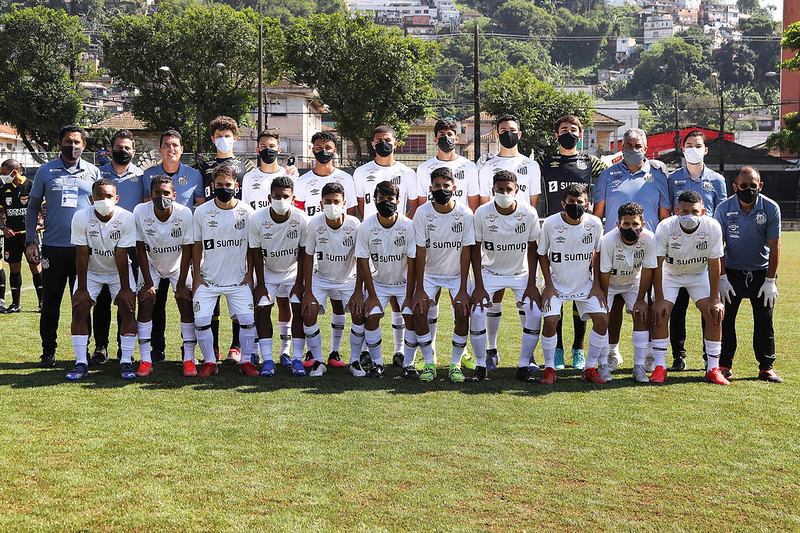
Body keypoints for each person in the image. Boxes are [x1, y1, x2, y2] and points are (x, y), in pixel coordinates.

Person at [593, 128, 670, 373]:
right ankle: (613, 352)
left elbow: (664, 216)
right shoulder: (607, 175)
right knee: (613, 307)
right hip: (613, 249)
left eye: (637, 145)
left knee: (646, 304)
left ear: (646, 148)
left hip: (647, 251)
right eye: (628, 145)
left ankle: (648, 354)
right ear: (621, 147)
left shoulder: (659, 175)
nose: (632, 149)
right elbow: (597, 216)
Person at [26, 124, 101, 368]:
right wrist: (30, 241)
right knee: (50, 304)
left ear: (84, 145)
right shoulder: (45, 171)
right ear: (60, 143)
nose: (73, 146)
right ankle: (48, 351)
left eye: (77, 142)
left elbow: (102, 208)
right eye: (68, 141)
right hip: (53, 247)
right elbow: (33, 208)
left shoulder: (93, 172)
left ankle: (84, 351)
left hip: (84, 249)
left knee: (82, 302)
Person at [537, 114, 606, 370]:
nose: (569, 132)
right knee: (556, 291)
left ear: (581, 134)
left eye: (573, 129)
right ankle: (557, 349)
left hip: (582, 232)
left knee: (581, 293)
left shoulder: (591, 162)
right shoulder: (545, 161)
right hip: (554, 230)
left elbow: (611, 179)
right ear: (557, 135)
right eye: (564, 128)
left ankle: (578, 348)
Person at [476, 114, 542, 372]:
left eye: (512, 130)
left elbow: (532, 204)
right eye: (503, 130)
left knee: (529, 306)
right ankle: (491, 350)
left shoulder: (530, 165)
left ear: (520, 133)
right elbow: (483, 202)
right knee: (493, 300)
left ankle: (529, 358)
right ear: (497, 134)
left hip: (519, 250)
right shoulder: (486, 165)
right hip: (493, 244)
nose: (508, 134)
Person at [415, 118, 480, 368]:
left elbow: (473, 204)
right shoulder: (424, 169)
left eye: (450, 133)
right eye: (441, 133)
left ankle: (459, 356)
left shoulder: (468, 168)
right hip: (432, 261)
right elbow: (421, 209)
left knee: (462, 309)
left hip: (456, 261)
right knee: (424, 308)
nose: (446, 137)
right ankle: (428, 357)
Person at [353, 125, 419, 366]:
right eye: (379, 140)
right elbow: (360, 207)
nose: (384, 143)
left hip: (398, 237)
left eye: (387, 139)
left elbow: (414, 205)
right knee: (369, 301)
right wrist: (376, 226)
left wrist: (398, 228)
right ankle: (366, 353)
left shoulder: (407, 172)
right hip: (372, 237)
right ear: (372, 143)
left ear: (396, 142)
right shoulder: (361, 172)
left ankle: (400, 352)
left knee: (399, 303)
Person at [468, 170, 541, 382]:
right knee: (478, 313)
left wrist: (531, 284)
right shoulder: (482, 213)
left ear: (516, 191)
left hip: (521, 274)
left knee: (535, 314)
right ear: (493, 191)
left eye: (508, 189)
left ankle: (524, 365)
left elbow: (533, 249)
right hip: (489, 272)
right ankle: (481, 365)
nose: (504, 193)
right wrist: (479, 285)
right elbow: (475, 249)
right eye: (500, 189)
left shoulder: (529, 213)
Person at [651, 190, 728, 385]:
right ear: (676, 210)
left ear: (703, 211)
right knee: (660, 312)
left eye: (694, 212)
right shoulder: (665, 226)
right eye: (684, 211)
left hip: (698, 275)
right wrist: (659, 299)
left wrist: (715, 298)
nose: (689, 216)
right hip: (671, 274)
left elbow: (714, 263)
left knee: (714, 313)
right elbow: (657, 264)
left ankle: (713, 369)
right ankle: (660, 368)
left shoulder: (712, 227)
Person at [294, 131, 357, 367]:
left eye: (328, 147)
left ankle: (335, 352)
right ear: (312, 150)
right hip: (312, 245)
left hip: (338, 250)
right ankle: (313, 354)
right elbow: (299, 214)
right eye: (318, 147)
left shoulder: (345, 179)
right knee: (310, 304)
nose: (323, 151)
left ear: (335, 150)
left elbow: (347, 215)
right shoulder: (302, 181)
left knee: (339, 302)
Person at [142, 130, 205, 362]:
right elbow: (145, 208)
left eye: (175, 145)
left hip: (182, 252)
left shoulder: (194, 175)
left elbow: (201, 209)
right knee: (154, 303)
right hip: (155, 250)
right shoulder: (147, 175)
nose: (171, 148)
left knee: (186, 299)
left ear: (181, 148)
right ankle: (156, 349)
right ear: (159, 149)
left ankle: (187, 351)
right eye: (166, 144)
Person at [666, 130, 727, 371]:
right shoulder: (673, 179)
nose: (693, 148)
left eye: (698, 145)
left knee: (709, 306)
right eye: (689, 144)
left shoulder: (717, 180)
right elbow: (670, 212)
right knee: (677, 309)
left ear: (705, 149)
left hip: (706, 251)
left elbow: (720, 214)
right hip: (679, 251)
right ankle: (678, 356)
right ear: (683, 149)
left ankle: (708, 357)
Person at [65, 178, 137, 381]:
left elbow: (122, 255)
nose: (104, 200)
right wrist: (82, 288)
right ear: (91, 198)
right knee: (79, 308)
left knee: (127, 306)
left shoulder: (126, 217)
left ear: (116, 198)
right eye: (99, 196)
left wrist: (125, 289)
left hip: (118, 271)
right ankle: (81, 362)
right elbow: (81, 254)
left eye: (108, 196)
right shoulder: (80, 217)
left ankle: (126, 361)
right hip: (91, 271)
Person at [715, 166, 782, 383]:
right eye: (743, 186)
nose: (748, 190)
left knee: (764, 321)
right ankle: (723, 365)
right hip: (731, 273)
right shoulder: (723, 208)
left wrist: (770, 280)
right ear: (735, 187)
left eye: (753, 186)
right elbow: (717, 247)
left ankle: (766, 367)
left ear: (760, 186)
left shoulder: (771, 208)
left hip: (761, 273)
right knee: (725, 321)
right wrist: (722, 278)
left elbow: (775, 247)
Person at [199, 116, 256, 364]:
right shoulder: (204, 166)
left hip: (238, 228)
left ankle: (236, 347)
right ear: (213, 139)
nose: (224, 139)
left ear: (235, 137)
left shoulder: (246, 166)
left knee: (237, 295)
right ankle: (213, 349)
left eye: (228, 135)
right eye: (219, 136)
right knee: (213, 289)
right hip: (212, 227)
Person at [190, 164, 255, 377]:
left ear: (236, 186)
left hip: (238, 280)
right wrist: (196, 274)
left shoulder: (247, 212)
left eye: (228, 185)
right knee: (200, 321)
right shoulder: (202, 211)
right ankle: (210, 362)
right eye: (219, 185)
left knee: (247, 320)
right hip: (209, 280)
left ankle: (245, 361)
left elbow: (253, 247)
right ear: (213, 186)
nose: (224, 188)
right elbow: (197, 244)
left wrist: (250, 274)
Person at [538, 184, 607, 384]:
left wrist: (596, 285)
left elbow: (597, 254)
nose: (576, 205)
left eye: (580, 202)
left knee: (602, 319)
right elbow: (542, 254)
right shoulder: (550, 223)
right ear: (563, 203)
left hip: (584, 285)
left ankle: (590, 368)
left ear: (587, 203)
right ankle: (550, 368)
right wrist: (548, 285)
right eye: (571, 202)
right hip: (557, 284)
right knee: (550, 321)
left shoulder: (594, 223)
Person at [411, 167, 474, 383]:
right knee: (419, 310)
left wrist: (464, 289)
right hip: (430, 274)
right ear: (430, 189)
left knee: (463, 311)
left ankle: (455, 364)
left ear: (454, 188)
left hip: (456, 275)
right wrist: (419, 289)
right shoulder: (422, 212)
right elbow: (420, 251)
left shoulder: (465, 213)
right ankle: (429, 362)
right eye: (437, 186)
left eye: (446, 186)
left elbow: (467, 252)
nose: (441, 189)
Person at [133, 175, 196, 377]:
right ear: (150, 195)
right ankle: (145, 360)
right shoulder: (140, 211)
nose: (162, 196)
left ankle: (189, 359)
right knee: (145, 302)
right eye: (157, 193)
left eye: (166, 193)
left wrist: (182, 284)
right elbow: (140, 248)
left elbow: (187, 250)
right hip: (151, 264)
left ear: (174, 195)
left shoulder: (185, 213)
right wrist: (148, 283)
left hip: (179, 265)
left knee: (186, 302)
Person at [352, 180, 416, 379]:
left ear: (398, 201)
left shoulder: (408, 226)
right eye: (381, 199)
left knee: (411, 317)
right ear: (374, 200)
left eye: (390, 199)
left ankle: (409, 364)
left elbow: (413, 262)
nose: (386, 202)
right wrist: (371, 295)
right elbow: (362, 262)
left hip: (404, 283)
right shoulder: (366, 226)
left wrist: (408, 296)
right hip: (379, 283)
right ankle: (377, 364)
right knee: (371, 317)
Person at [92, 130, 145, 365]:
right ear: (111, 148)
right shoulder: (98, 173)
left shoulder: (141, 176)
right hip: (101, 243)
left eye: (127, 148)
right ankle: (100, 347)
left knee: (126, 300)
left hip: (130, 245)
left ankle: (124, 349)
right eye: (118, 147)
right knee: (102, 300)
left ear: (133, 151)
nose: (122, 151)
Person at [249, 176, 308, 377]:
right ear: (269, 197)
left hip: (292, 271)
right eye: (277, 196)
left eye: (285, 196)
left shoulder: (301, 219)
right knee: (263, 309)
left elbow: (304, 253)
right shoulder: (257, 219)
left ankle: (294, 357)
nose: (281, 200)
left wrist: (299, 282)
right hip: (268, 272)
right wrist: (261, 284)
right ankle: (267, 360)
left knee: (297, 308)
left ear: (293, 197)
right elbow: (255, 253)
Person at [300, 182, 361, 377]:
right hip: (322, 277)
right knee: (308, 312)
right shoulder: (314, 224)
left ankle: (355, 361)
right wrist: (308, 291)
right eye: (328, 201)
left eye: (336, 201)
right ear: (321, 204)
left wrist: (359, 290)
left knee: (359, 314)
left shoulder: (354, 225)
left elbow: (361, 259)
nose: (332, 205)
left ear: (344, 203)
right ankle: (318, 361)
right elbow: (308, 256)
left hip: (347, 279)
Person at [599, 202, 658, 383]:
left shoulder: (649, 239)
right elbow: (604, 272)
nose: (630, 228)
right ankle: (603, 363)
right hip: (610, 283)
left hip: (633, 282)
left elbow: (648, 270)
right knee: (601, 318)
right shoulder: (608, 240)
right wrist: (604, 300)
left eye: (635, 224)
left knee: (641, 314)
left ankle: (639, 366)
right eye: (626, 224)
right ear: (618, 224)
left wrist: (640, 299)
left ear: (643, 225)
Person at [0, 159, 43, 313]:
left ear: (14, 172)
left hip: (30, 236)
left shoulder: (32, 186)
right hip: (11, 236)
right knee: (14, 268)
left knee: (35, 267)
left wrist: (40, 220)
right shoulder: (4, 189)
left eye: (4, 173)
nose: (2, 176)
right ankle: (16, 304)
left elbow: (44, 208)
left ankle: (42, 302)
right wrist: (3, 227)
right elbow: (0, 212)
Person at [241, 130, 288, 212]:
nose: (268, 149)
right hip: (256, 224)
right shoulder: (249, 177)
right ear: (257, 150)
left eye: (272, 146)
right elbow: (245, 207)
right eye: (263, 146)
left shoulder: (287, 175)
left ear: (279, 149)